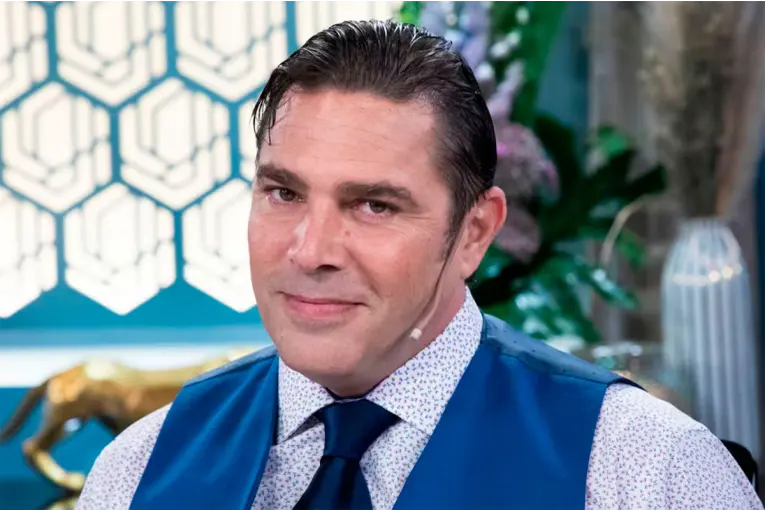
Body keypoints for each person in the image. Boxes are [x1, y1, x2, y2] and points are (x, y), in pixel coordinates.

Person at [77, 19, 762, 510]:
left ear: (474, 233)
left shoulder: (643, 471)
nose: (311, 251)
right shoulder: (137, 471)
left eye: (374, 205)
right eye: (284, 193)